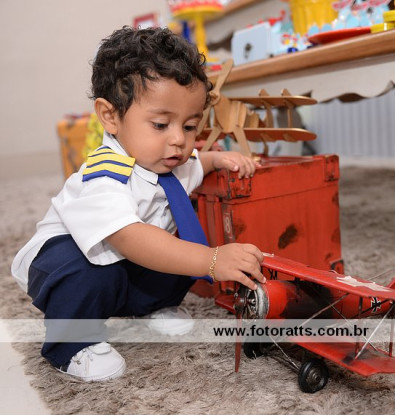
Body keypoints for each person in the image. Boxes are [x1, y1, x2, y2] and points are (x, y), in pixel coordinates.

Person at [11, 26, 265, 382]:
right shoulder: (105, 176)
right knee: (100, 270)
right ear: (111, 117)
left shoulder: (171, 162)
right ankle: (70, 345)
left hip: (127, 262)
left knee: (176, 247)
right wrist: (211, 260)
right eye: (160, 124)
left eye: (190, 126)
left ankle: (152, 306)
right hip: (68, 261)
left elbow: (197, 164)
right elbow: (131, 239)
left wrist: (218, 159)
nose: (178, 140)